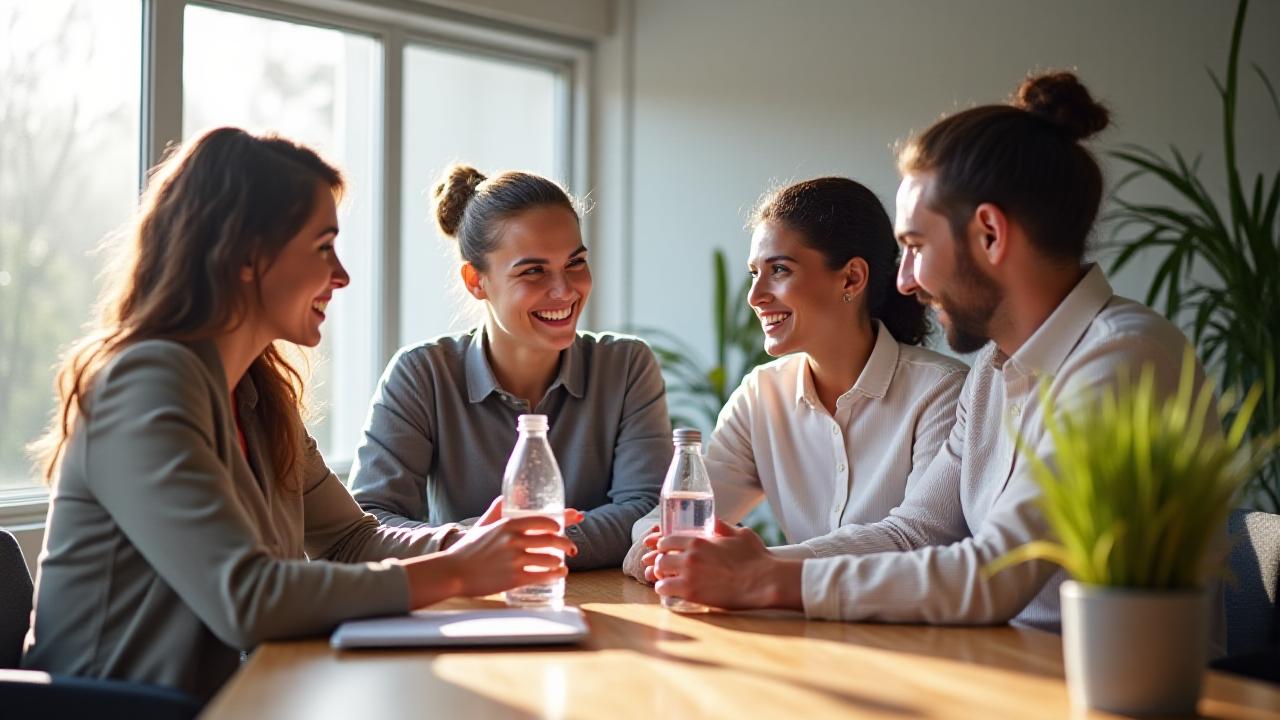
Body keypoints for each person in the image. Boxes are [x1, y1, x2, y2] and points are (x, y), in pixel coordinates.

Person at [646, 72, 1221, 639]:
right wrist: (759, 567)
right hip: (1008, 668)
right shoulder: (994, 374)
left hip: (1102, 689)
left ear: (990, 234)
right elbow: (912, 532)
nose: (903, 282)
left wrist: (766, 580)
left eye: (916, 248)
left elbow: (995, 573)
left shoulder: (1122, 359)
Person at [21, 128, 578, 702]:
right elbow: (248, 600)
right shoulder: (145, 383)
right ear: (244, 255)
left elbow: (349, 539)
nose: (341, 275)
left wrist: (461, 544)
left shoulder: (258, 397)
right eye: (322, 247)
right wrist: (457, 574)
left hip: (241, 699)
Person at [624, 176, 967, 581]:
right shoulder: (761, 393)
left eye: (779, 270)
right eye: (754, 273)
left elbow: (920, 540)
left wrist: (760, 566)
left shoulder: (942, 391)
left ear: (852, 278)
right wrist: (660, 550)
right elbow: (664, 525)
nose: (755, 296)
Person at [347, 164, 671, 570]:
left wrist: (511, 545)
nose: (564, 290)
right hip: (466, 614)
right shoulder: (422, 373)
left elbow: (646, 513)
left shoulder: (625, 366)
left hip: (607, 613)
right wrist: (474, 543)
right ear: (475, 280)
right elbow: (368, 526)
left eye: (575, 263)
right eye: (533, 270)